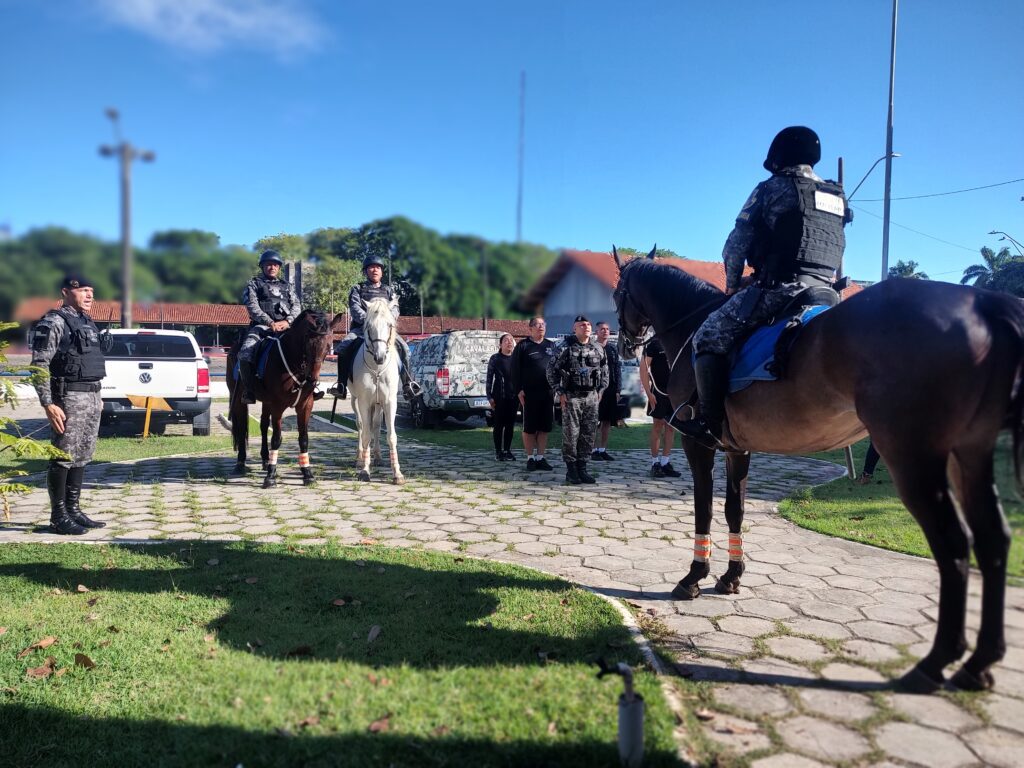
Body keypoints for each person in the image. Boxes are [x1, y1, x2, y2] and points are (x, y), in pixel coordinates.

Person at [672, 126, 851, 449]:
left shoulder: (772, 188)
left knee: (707, 336)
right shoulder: (835, 195)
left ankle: (711, 425)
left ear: (779, 156)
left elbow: (735, 247)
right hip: (828, 292)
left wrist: (730, 286)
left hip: (781, 289)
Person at [30, 274, 108, 535]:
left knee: (82, 455)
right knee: (63, 456)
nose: (89, 295)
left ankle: (73, 510)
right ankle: (58, 515)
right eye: (84, 290)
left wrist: (99, 396)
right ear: (66, 292)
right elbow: (39, 365)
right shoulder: (54, 322)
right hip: (69, 398)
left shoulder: (87, 322)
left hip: (92, 396)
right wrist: (48, 404)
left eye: (91, 290)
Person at [332, 253, 421, 400]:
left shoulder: (389, 290)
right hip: (361, 329)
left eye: (378, 267)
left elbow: (395, 309)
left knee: (404, 348)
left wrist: (385, 320)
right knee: (343, 347)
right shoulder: (357, 289)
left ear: (382, 271)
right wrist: (370, 320)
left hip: (385, 330)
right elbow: (354, 308)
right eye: (372, 267)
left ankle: (408, 384)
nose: (375, 270)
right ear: (366, 271)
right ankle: (341, 385)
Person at [547, 315, 608, 485]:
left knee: (588, 434)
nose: (586, 327)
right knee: (571, 434)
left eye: (588, 324)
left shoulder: (598, 348)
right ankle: (571, 470)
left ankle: (583, 468)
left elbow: (605, 370)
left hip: (591, 397)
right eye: (582, 325)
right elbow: (551, 370)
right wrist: (559, 391)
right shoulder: (565, 347)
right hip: (572, 396)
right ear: (574, 328)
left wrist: (601, 390)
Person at [237, 249, 302, 404]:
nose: (272, 267)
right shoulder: (254, 284)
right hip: (262, 327)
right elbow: (252, 306)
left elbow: (297, 305)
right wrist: (269, 322)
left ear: (279, 268)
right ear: (262, 267)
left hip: (287, 327)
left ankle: (309, 388)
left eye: (275, 265)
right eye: (268, 264)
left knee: (310, 348)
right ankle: (249, 390)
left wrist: (288, 321)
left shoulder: (288, 286)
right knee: (245, 354)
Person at [510, 316, 557, 471]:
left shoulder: (552, 346)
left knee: (544, 427)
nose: (540, 327)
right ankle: (530, 458)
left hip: (547, 393)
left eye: (543, 324)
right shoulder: (523, 346)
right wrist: (519, 390)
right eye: (537, 324)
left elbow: (558, 368)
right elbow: (514, 370)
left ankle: (541, 457)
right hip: (529, 393)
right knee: (529, 428)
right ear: (530, 328)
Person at [640, 338, 682, 479]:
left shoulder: (678, 340)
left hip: (675, 392)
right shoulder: (654, 343)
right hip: (659, 391)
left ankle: (665, 462)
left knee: (671, 427)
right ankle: (655, 463)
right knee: (658, 425)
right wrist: (648, 392)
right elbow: (644, 369)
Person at [591, 321, 621, 461]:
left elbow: (617, 369)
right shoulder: (591, 348)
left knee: (607, 421)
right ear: (597, 332)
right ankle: (592, 450)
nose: (605, 331)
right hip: (595, 390)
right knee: (594, 420)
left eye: (607, 329)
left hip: (611, 388)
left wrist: (618, 389)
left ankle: (602, 449)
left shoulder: (613, 349)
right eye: (602, 329)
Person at [487, 333, 519, 461]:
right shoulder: (495, 358)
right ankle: (498, 451)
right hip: (499, 397)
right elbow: (489, 378)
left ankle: (507, 450)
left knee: (510, 425)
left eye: (511, 340)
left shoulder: (517, 359)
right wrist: (489, 396)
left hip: (513, 397)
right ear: (500, 344)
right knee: (499, 425)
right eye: (506, 340)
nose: (509, 342)